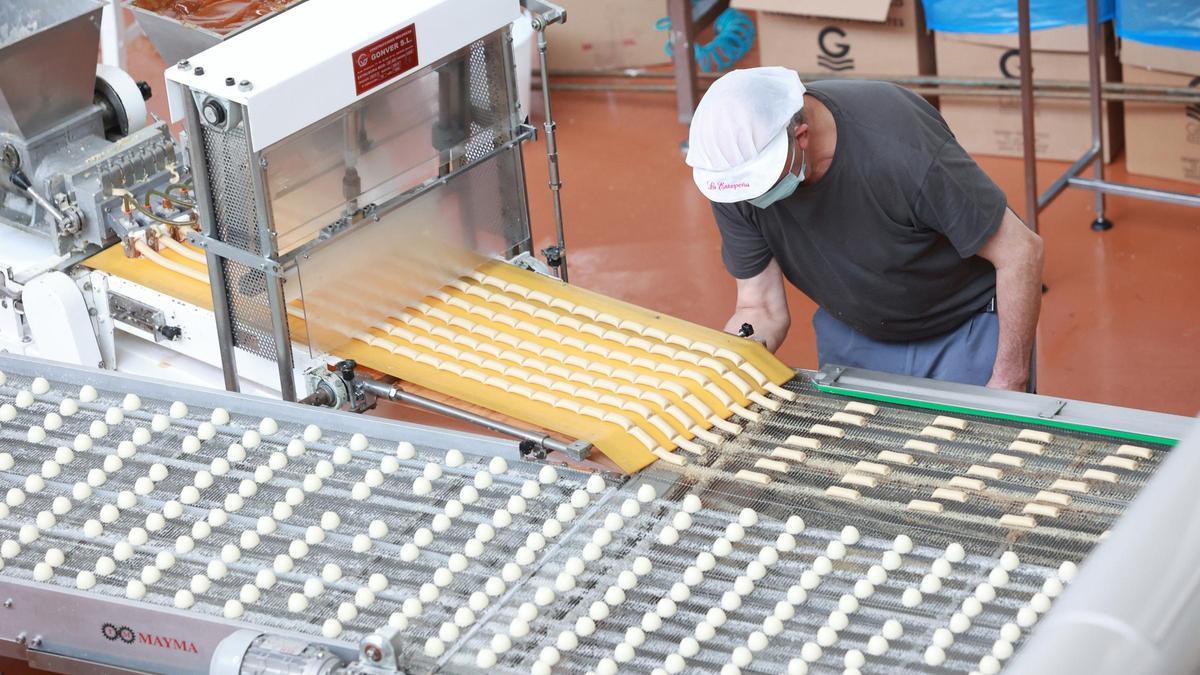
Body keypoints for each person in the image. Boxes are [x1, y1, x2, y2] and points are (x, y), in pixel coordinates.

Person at [684, 67, 1044, 391]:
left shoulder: (899, 146)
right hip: (854, 329)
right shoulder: (731, 178)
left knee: (973, 458)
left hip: (962, 327)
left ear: (801, 136)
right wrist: (722, 380)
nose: (753, 199)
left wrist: (1008, 380)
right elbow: (758, 307)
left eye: (759, 185)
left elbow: (1020, 252)